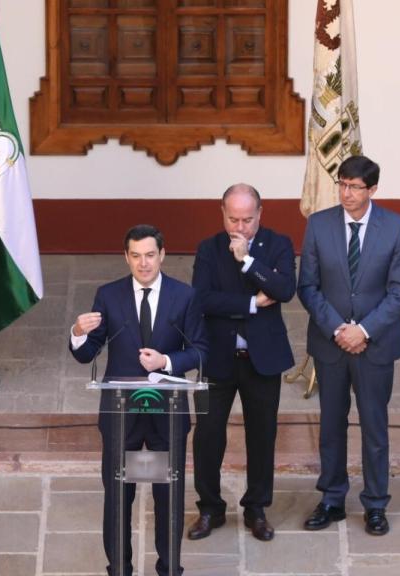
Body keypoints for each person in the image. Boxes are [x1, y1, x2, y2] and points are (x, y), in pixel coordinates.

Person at [69, 224, 208, 576]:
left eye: (150, 255)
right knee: (118, 498)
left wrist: (166, 362)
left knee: (168, 498)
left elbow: (201, 351)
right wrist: (77, 333)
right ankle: (119, 569)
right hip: (122, 415)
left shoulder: (184, 296)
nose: (143, 264)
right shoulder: (109, 295)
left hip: (166, 414)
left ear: (162, 254)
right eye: (136, 256)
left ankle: (169, 569)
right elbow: (88, 354)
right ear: (126, 257)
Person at [297, 155, 400, 537]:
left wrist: (363, 330)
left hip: (374, 346)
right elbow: (308, 287)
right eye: (342, 184)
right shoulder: (319, 224)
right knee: (331, 426)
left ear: (373, 189)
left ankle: (376, 504)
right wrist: (338, 329)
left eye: (355, 187)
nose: (347, 193)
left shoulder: (395, 227)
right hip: (331, 345)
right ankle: (332, 498)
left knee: (374, 427)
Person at [187, 183, 296, 542]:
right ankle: (210, 508)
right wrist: (250, 304)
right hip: (216, 358)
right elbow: (201, 300)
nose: (240, 227)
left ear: (260, 214)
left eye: (248, 220)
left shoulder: (277, 245)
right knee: (207, 436)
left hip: (262, 359)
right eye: (233, 219)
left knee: (262, 435)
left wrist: (247, 260)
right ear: (222, 214)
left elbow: (284, 290)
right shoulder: (208, 249)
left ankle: (256, 508)